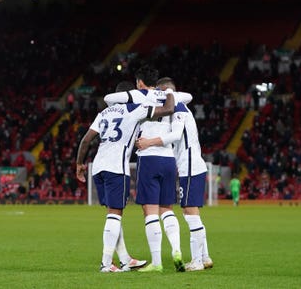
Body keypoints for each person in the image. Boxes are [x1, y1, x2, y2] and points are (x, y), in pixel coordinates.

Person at [76, 80, 175, 273]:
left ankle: (124, 259)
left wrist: (79, 164)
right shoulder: (133, 109)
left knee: (113, 215)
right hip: (116, 168)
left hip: (98, 167)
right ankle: (106, 263)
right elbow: (168, 109)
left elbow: (86, 139)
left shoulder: (103, 113)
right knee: (115, 215)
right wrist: (169, 92)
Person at [136, 77, 212, 272]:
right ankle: (205, 256)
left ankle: (196, 261)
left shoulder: (178, 107)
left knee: (190, 214)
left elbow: (176, 136)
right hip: (192, 164)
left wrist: (149, 142)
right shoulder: (184, 108)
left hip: (189, 166)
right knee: (193, 213)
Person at [130, 66, 184, 273]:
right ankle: (176, 250)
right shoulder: (174, 99)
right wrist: (170, 92)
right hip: (169, 159)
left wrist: (147, 142)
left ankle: (157, 262)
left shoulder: (139, 97)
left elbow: (111, 100)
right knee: (167, 209)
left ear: (140, 82)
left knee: (149, 210)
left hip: (148, 157)